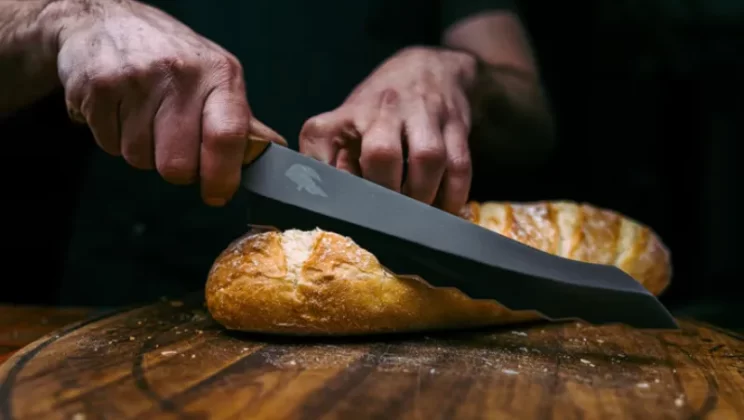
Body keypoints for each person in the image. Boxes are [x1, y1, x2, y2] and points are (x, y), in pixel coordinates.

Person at [0, 0, 554, 305]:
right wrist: (66, 15)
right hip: (111, 313)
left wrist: (453, 70)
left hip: (398, 296)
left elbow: (530, 118)